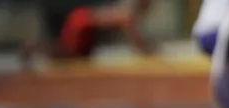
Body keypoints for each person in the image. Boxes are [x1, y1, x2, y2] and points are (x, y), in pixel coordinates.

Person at [24, 0, 155, 63]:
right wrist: (144, 49)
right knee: (68, 53)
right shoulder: (128, 13)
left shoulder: (128, 12)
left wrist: (143, 47)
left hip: (86, 25)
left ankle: (35, 47)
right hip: (82, 22)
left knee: (76, 56)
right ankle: (33, 46)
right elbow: (127, 25)